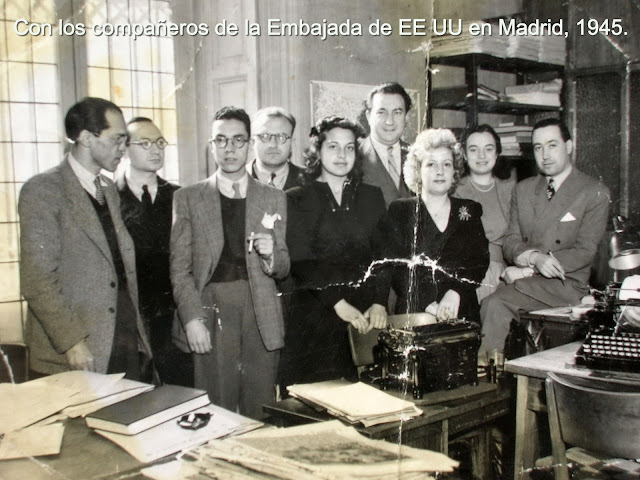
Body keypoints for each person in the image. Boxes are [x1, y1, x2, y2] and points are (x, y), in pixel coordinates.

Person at [19, 97, 153, 380]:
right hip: (76, 352)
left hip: (120, 339)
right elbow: (37, 281)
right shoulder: (43, 191)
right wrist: (72, 342)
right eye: (117, 139)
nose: (123, 149)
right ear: (86, 138)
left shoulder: (107, 189)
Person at [170, 106, 289, 419]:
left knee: (261, 407)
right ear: (211, 146)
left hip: (260, 310)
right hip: (212, 308)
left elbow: (284, 266)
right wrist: (192, 318)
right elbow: (180, 270)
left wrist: (271, 256)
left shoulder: (273, 197)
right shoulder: (188, 198)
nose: (229, 149)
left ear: (249, 145)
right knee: (215, 408)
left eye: (238, 141)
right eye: (220, 141)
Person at [479, 118, 610, 358]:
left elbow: (585, 250)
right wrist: (534, 258)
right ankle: (490, 378)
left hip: (566, 285)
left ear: (569, 146)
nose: (545, 154)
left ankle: (491, 377)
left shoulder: (593, 191)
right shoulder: (524, 189)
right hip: (528, 281)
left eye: (552, 145)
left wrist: (530, 270)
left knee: (495, 305)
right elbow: (511, 242)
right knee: (491, 305)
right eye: (538, 147)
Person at [278, 116, 388, 389]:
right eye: (333, 147)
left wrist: (379, 302)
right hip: (316, 313)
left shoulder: (372, 196)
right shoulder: (296, 197)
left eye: (349, 148)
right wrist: (338, 303)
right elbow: (301, 261)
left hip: (364, 315)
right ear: (317, 150)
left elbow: (384, 255)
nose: (342, 155)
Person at [375, 128, 489, 323]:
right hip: (416, 314)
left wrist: (455, 293)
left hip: (460, 311)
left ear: (455, 172)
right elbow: (395, 268)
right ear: (418, 171)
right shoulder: (400, 210)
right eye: (431, 164)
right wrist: (429, 303)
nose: (440, 171)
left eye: (446, 164)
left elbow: (478, 262)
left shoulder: (469, 210)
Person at [117, 117, 193, 386]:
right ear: (124, 149)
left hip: (173, 317)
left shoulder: (180, 196)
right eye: (145, 143)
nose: (156, 149)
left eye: (160, 142)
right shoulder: (110, 198)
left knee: (180, 393)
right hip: (130, 319)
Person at [453, 124, 516, 302]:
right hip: (469, 272)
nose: (481, 156)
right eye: (474, 150)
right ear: (464, 154)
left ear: (497, 153)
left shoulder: (511, 190)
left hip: (506, 272)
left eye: (488, 149)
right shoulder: (454, 191)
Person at [360, 82, 413, 207]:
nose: (390, 121)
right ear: (368, 116)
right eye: (381, 112)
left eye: (397, 112)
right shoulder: (353, 157)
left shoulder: (418, 156)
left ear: (405, 117)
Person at [249, 106, 304, 190]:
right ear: (252, 142)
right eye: (265, 136)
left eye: (281, 137)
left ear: (292, 143)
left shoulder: (312, 181)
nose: (273, 144)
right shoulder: (235, 179)